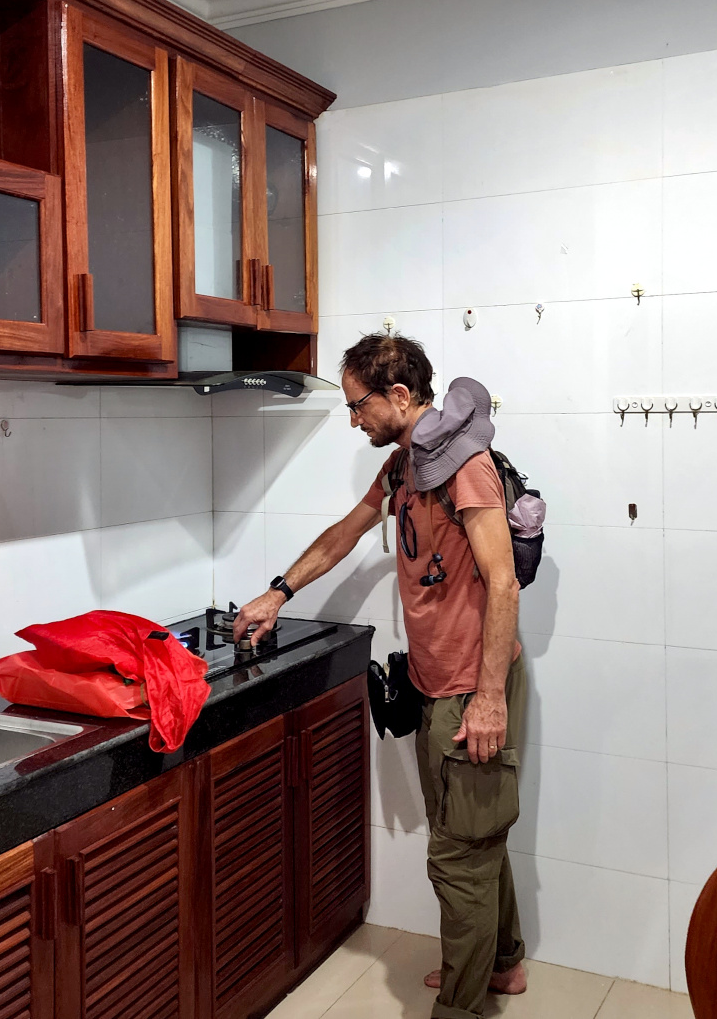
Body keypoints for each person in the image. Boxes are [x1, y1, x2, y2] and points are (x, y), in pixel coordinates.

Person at [234, 333, 526, 1019]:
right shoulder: (403, 468)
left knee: (459, 854)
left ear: (399, 395)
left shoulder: (466, 467)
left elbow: (504, 583)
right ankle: (501, 961)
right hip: (433, 685)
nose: (354, 418)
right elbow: (344, 532)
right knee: (469, 835)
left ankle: (459, 1007)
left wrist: (487, 700)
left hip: (469, 688)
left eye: (358, 404)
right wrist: (281, 590)